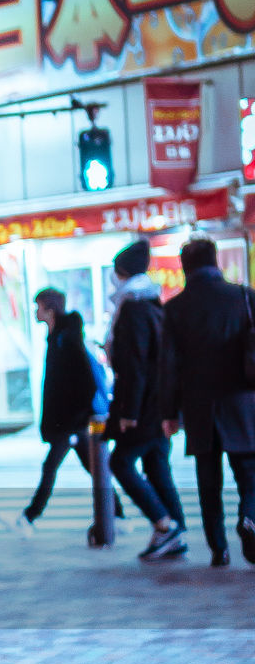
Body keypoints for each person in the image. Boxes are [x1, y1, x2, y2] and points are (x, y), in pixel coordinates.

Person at [160, 236, 255, 567]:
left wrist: (169, 412)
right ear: (215, 262)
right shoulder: (244, 297)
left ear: (185, 267)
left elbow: (168, 366)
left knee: (208, 480)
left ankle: (219, 548)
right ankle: (249, 518)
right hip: (243, 402)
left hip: (199, 407)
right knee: (249, 473)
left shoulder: (174, 309)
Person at [105, 239, 187, 562]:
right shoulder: (152, 304)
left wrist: (129, 410)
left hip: (143, 406)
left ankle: (164, 526)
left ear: (121, 272)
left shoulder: (133, 309)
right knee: (156, 466)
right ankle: (174, 529)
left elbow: (135, 364)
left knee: (120, 462)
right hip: (159, 402)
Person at [20, 288, 120, 528]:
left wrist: (78, 414)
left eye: (38, 307)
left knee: (51, 466)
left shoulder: (67, 336)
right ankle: (118, 514)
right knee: (92, 467)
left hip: (72, 420)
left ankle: (29, 517)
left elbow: (83, 378)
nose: (35, 312)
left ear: (49, 308)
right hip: (69, 420)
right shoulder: (57, 335)